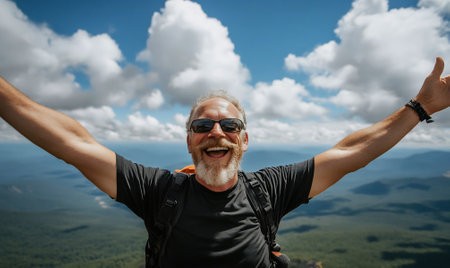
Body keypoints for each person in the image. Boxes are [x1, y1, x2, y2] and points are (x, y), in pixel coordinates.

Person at [0, 56, 449, 267]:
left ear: (245, 140)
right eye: (203, 126)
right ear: (190, 142)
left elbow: (351, 152)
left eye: (229, 126)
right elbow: (69, 141)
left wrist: (419, 108)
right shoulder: (159, 192)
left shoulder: (268, 190)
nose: (216, 132)